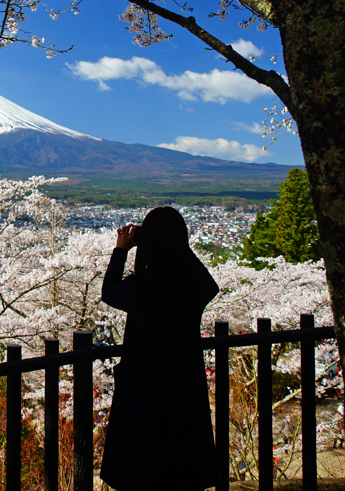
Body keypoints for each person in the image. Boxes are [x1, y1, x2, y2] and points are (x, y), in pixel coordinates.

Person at [100, 206, 220, 491]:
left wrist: (121, 251)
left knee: (141, 470)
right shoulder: (193, 284)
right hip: (185, 386)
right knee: (181, 470)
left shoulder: (143, 285)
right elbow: (210, 284)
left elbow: (109, 292)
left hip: (143, 386)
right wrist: (178, 246)